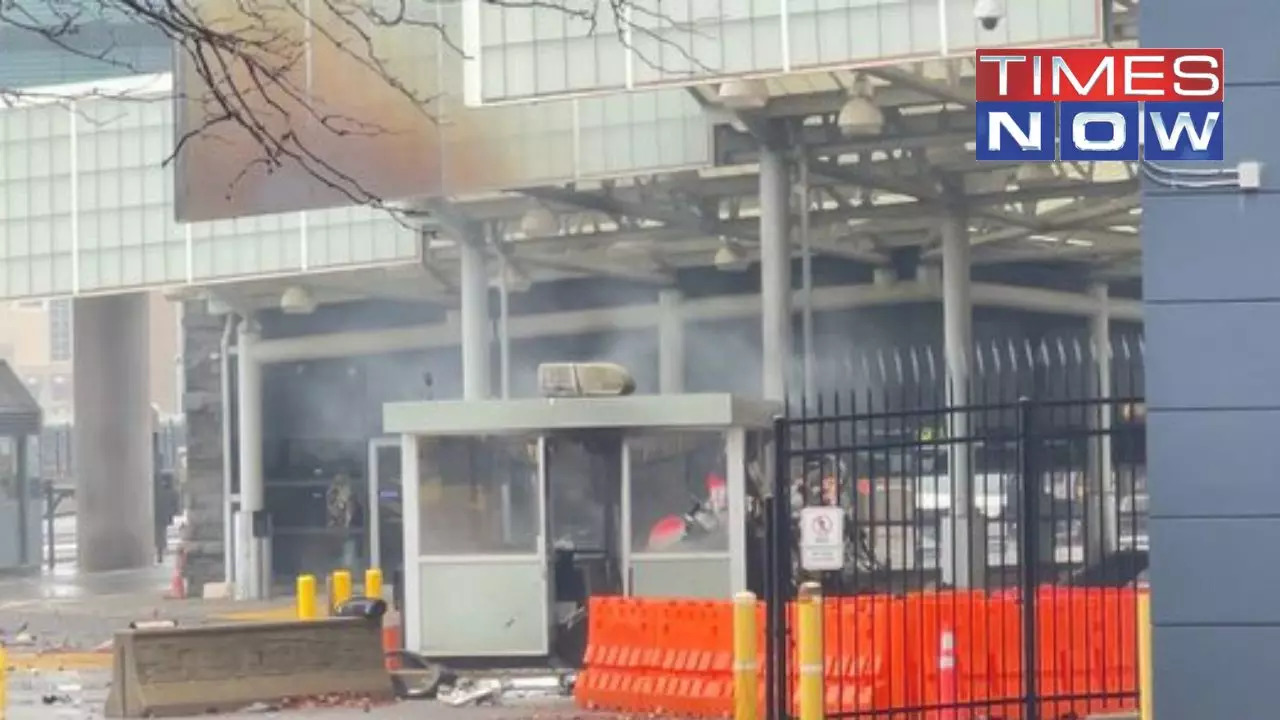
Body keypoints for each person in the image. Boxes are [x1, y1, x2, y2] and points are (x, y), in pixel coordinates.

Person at [153, 471, 179, 563]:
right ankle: (161, 549)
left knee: (159, 532)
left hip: (157, 514)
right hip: (164, 515)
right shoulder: (171, 491)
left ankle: (160, 550)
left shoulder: (156, 491)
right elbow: (175, 503)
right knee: (161, 532)